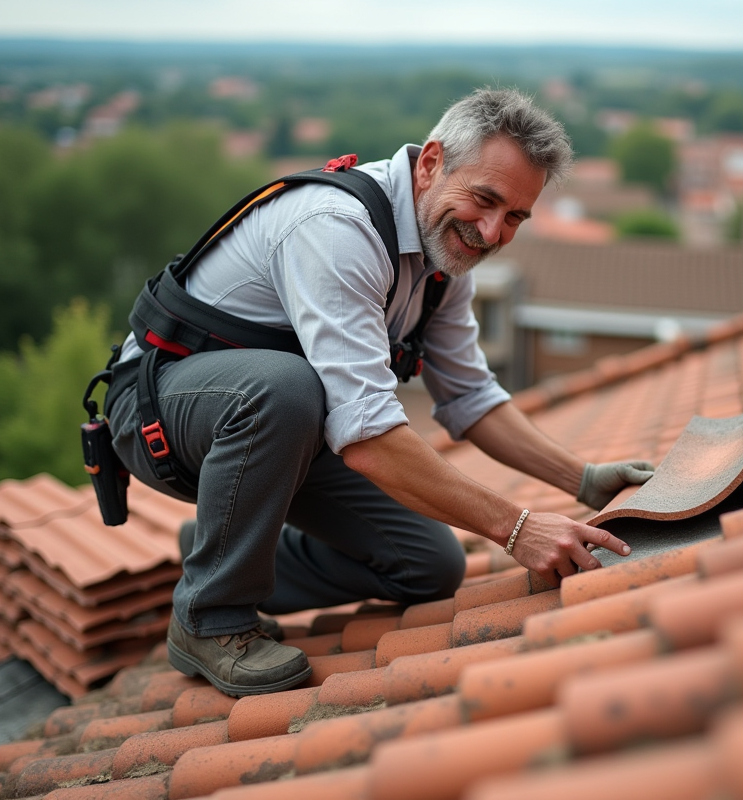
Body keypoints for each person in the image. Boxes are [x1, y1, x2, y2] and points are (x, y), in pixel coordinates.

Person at [104, 88, 655, 697]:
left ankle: (220, 544)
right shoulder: (337, 230)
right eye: (485, 199)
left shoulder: (443, 264)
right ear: (430, 163)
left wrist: (582, 478)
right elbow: (367, 439)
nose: (493, 231)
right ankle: (209, 617)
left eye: (516, 217)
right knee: (285, 388)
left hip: (286, 431)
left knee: (429, 566)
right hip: (161, 412)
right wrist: (517, 528)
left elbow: (470, 399)